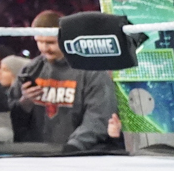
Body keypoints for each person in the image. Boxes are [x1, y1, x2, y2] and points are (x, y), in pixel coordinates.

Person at [6, 10, 115, 152]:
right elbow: (7, 114)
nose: (44, 48)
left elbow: (99, 115)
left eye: (50, 42)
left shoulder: (91, 70)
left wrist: (74, 146)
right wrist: (24, 103)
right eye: (39, 42)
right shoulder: (31, 70)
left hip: (78, 153)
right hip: (34, 151)